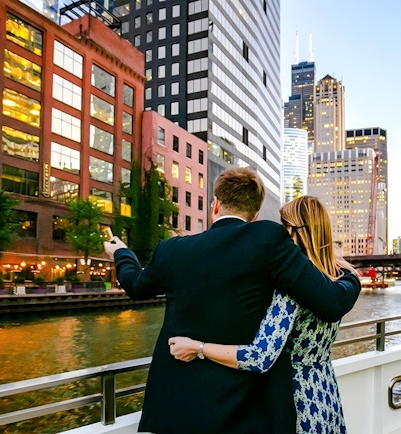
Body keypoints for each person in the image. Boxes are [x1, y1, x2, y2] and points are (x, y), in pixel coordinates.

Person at [107, 167, 360, 434]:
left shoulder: (171, 249)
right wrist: (349, 274)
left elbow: (135, 286)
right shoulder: (269, 241)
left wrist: (122, 253)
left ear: (214, 205)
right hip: (244, 410)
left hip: (177, 408)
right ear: (256, 213)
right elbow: (331, 301)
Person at [169, 196, 359, 433]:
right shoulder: (336, 279)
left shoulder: (292, 290)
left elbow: (260, 356)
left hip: (297, 402)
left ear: (292, 231)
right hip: (326, 393)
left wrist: (197, 347)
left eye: (282, 226)